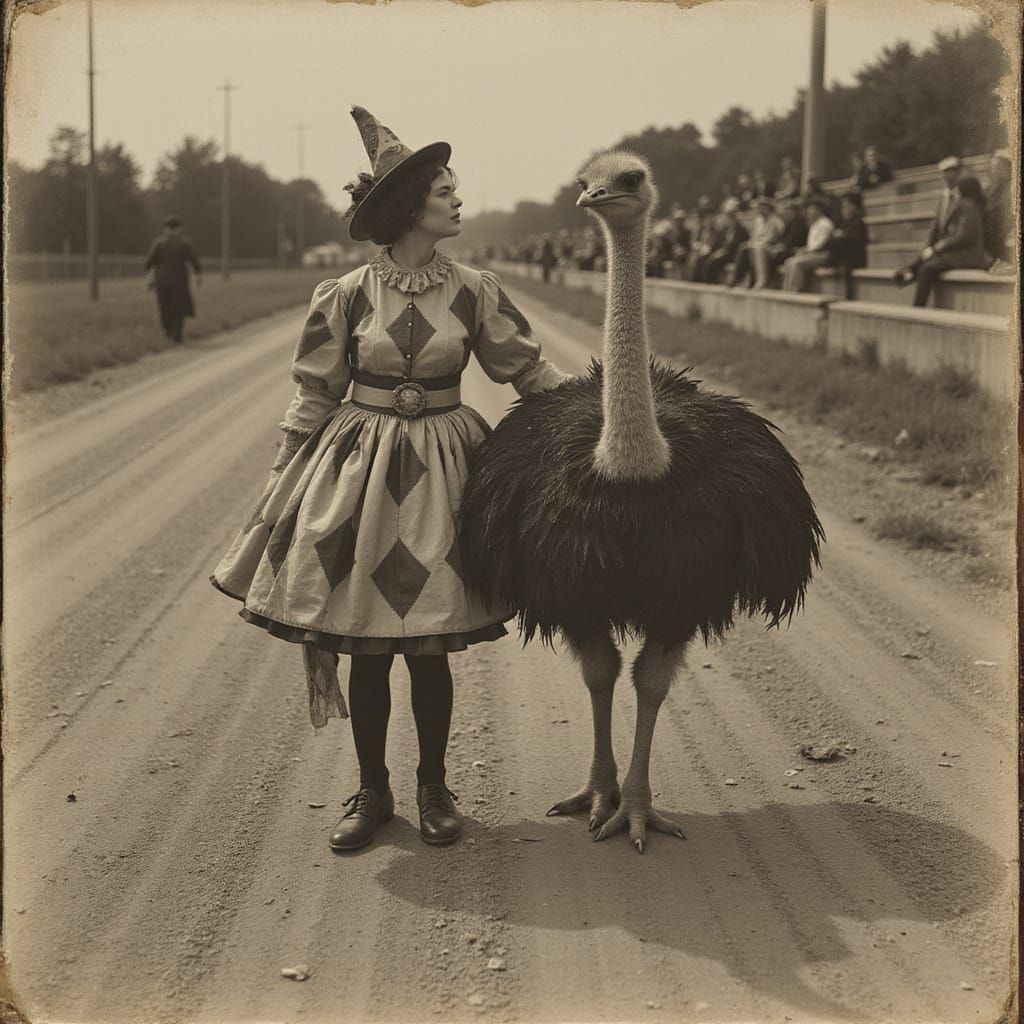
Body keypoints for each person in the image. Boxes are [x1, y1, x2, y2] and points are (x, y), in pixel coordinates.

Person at [211, 106, 567, 853]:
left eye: (453, 186)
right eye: (445, 189)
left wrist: (597, 410)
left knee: (429, 638)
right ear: (409, 208)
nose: (457, 198)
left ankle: (435, 788)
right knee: (366, 640)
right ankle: (373, 791)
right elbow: (314, 391)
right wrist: (283, 474)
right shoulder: (344, 295)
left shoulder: (474, 289)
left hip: (449, 467)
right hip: (359, 468)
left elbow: (529, 373)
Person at [892, 176, 989, 307]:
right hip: (959, 254)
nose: (955, 194)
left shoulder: (969, 207)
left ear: (963, 191)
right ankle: (910, 271)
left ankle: (917, 304)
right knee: (928, 258)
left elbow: (964, 236)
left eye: (958, 190)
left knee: (927, 268)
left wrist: (941, 245)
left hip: (968, 256)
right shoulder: (966, 206)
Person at [144, 216, 202, 343]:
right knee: (179, 307)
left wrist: (150, 277)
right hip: (180, 281)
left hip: (162, 281)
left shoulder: (158, 243)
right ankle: (177, 332)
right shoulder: (185, 244)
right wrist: (198, 275)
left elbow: (148, 263)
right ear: (179, 229)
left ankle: (167, 330)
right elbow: (194, 261)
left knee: (163, 306)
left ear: (165, 229)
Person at [730, 197, 785, 288]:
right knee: (744, 248)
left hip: (770, 246)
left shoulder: (775, 220)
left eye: (762, 208)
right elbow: (754, 235)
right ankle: (738, 278)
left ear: (768, 208)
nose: (760, 210)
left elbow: (772, 238)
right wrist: (752, 242)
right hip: (758, 244)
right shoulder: (758, 220)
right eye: (759, 208)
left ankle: (760, 280)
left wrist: (756, 243)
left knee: (756, 248)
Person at [782, 198, 834, 292]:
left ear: (819, 210)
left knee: (796, 263)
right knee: (789, 262)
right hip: (813, 253)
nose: (809, 212)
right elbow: (811, 245)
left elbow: (820, 245)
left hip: (823, 254)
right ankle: (787, 290)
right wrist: (804, 250)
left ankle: (796, 291)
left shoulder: (826, 223)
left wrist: (806, 251)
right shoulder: (814, 225)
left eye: (812, 210)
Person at [828, 191, 869, 298]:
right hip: (846, 258)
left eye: (845, 206)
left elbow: (857, 241)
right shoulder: (846, 223)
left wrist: (842, 236)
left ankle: (847, 296)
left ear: (854, 207)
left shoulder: (858, 222)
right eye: (842, 207)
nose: (843, 210)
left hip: (855, 258)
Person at [702, 197, 748, 284]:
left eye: (732, 216)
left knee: (710, 263)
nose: (730, 218)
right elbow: (719, 243)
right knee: (706, 260)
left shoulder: (741, 230)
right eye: (728, 216)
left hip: (733, 255)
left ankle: (709, 285)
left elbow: (734, 246)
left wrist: (721, 252)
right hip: (724, 253)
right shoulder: (725, 229)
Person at [765, 199, 808, 286]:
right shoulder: (789, 222)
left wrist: (780, 248)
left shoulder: (798, 221)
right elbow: (783, 239)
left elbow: (793, 240)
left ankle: (772, 283)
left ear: (791, 211)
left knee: (773, 256)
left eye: (785, 211)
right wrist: (778, 247)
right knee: (768, 254)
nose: (782, 214)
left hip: (796, 249)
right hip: (789, 248)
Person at [983, 150, 1013, 266]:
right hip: (991, 235)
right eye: (993, 167)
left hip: (1004, 233)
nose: (995, 170)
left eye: (999, 167)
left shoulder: (1013, 187)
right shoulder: (990, 188)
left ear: (1009, 168)